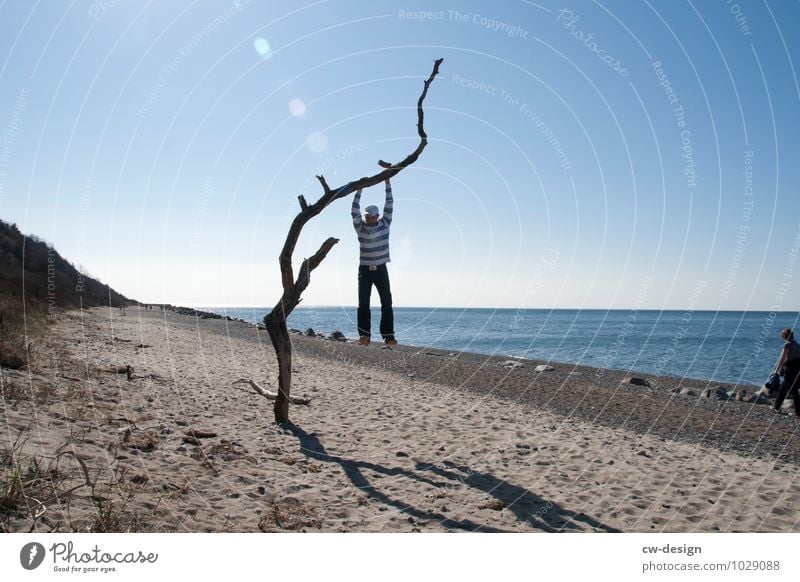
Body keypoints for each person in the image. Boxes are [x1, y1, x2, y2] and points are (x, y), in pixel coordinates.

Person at [351, 178, 396, 346]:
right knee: (363, 303)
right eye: (367, 216)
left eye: (371, 217)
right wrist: (359, 190)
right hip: (364, 270)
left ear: (377, 217)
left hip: (381, 268)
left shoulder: (385, 224)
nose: (369, 219)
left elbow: (389, 203)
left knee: (386, 302)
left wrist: (387, 182)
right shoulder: (360, 227)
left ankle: (388, 336)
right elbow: (354, 211)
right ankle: (364, 336)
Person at [773, 328, 800, 415]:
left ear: (784, 336)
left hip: (789, 368)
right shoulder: (797, 344)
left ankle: (777, 408)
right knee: (793, 389)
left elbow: (782, 358)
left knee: (785, 389)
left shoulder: (787, 345)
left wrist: (776, 370)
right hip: (796, 368)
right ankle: (797, 410)